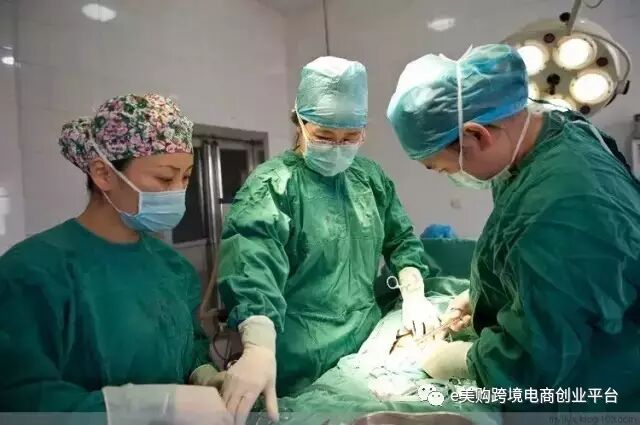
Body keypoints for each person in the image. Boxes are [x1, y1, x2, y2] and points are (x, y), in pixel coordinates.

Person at [386, 44, 640, 412]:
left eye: (443, 167)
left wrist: (460, 360)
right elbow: (555, 274)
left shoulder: (562, 207)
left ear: (477, 135)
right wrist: (485, 295)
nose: (450, 176)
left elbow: (538, 358)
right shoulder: (550, 135)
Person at [216, 56, 440, 424]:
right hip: (298, 358)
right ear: (300, 122)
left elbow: (401, 239)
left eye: (350, 138)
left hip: (366, 346)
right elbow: (251, 264)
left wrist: (414, 293)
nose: (337, 147)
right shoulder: (273, 185)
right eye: (324, 136)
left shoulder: (370, 178)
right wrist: (257, 345)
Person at [0, 94, 231, 424]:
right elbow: (17, 399)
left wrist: (203, 374)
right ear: (103, 174)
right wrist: (142, 408)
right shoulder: (31, 272)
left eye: (186, 177)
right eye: (165, 178)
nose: (178, 191)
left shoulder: (172, 266)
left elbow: (188, 345)